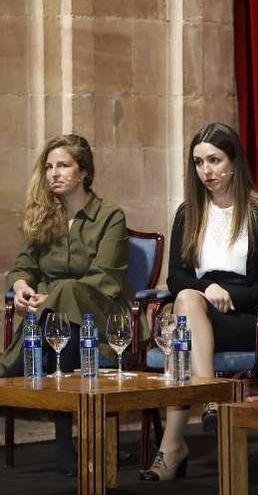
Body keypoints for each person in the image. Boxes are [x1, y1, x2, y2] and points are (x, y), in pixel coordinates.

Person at [141, 122, 258, 481]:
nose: (206, 170)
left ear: (234, 162)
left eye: (215, 160)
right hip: (200, 308)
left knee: (180, 333)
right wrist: (207, 292)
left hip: (252, 316)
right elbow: (176, 277)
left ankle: (173, 446)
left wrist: (229, 296)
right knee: (187, 309)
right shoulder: (188, 212)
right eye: (199, 162)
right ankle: (205, 403)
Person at [1, 134, 131, 475]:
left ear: (84, 171)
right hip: (56, 323)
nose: (53, 173)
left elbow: (107, 278)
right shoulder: (45, 216)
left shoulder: (110, 215)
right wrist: (19, 286)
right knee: (63, 319)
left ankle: (9, 366)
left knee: (68, 291)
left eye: (63, 165)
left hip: (101, 315)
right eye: (48, 167)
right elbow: (21, 266)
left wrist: (53, 297)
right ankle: (64, 442)